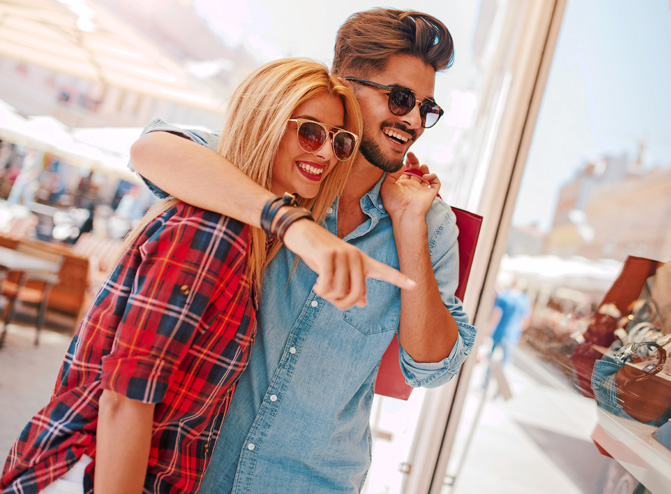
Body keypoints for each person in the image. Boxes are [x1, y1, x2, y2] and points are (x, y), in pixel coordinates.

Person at [1, 58, 411, 494]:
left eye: (340, 141)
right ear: (264, 124)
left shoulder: (252, 239)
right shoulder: (213, 232)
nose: (326, 153)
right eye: (310, 132)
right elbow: (125, 400)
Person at [128, 8, 476, 492]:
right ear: (344, 85)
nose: (414, 120)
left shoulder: (432, 225)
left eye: (426, 108)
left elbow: (432, 365)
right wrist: (293, 225)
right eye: (399, 99)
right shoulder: (271, 167)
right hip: (192, 470)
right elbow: (152, 149)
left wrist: (408, 223)